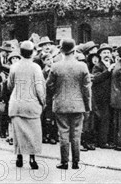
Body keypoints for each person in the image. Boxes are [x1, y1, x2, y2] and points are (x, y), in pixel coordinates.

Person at [46, 38, 92, 170]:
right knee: (76, 134)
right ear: (74, 50)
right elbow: (87, 89)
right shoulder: (82, 66)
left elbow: (48, 85)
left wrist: (56, 94)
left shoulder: (55, 66)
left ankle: (64, 162)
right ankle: (76, 162)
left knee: (63, 134)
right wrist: (87, 107)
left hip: (61, 104)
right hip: (78, 105)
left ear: (61, 50)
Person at [7, 41, 45, 170]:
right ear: (33, 52)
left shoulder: (14, 67)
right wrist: (43, 102)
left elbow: (9, 85)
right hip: (32, 104)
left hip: (16, 104)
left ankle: (19, 157)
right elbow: (39, 88)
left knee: (18, 133)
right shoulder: (36, 67)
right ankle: (32, 158)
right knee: (34, 133)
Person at [91, 44, 115, 149]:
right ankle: (103, 142)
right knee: (104, 119)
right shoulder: (98, 66)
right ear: (100, 55)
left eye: (108, 53)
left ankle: (109, 140)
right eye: (104, 53)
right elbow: (96, 79)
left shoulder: (113, 64)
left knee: (110, 118)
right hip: (101, 96)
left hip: (111, 95)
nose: (106, 55)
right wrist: (108, 70)